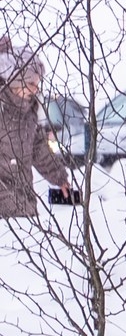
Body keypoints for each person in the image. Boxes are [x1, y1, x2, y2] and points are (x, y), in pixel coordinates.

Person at [0, 38, 76, 220]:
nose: (36, 89)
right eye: (32, 83)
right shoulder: (2, 110)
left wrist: (60, 178)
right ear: (15, 81)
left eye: (38, 83)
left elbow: (39, 149)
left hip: (23, 205)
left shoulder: (29, 113)